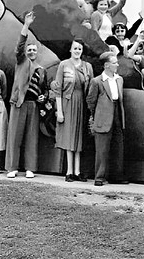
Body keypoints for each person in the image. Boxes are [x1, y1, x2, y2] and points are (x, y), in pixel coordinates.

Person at [6, 12, 48, 179]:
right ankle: (11, 167)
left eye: (33, 50)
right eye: (29, 49)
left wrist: (43, 96)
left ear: (37, 52)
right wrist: (26, 26)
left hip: (33, 105)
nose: (31, 52)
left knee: (32, 138)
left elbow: (44, 89)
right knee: (14, 136)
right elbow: (19, 46)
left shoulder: (41, 69)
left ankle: (30, 168)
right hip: (19, 103)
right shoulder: (21, 61)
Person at [54, 39, 93, 182]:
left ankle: (78, 171)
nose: (77, 51)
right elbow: (58, 88)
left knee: (79, 137)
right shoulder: (63, 65)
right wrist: (60, 111)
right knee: (70, 136)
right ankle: (69, 171)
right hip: (68, 102)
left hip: (82, 104)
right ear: (70, 50)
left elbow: (91, 88)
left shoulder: (87, 67)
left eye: (80, 49)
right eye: (75, 48)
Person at [87, 52, 128, 187]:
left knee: (118, 146)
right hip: (103, 116)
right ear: (106, 65)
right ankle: (99, 176)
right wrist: (97, 114)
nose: (117, 64)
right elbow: (91, 101)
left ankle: (116, 175)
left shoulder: (119, 79)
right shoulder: (97, 81)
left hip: (117, 113)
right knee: (102, 148)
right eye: (114, 62)